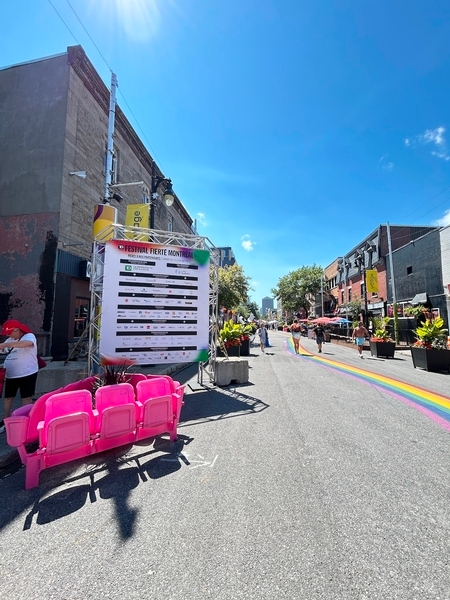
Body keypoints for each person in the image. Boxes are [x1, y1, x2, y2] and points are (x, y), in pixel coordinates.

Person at [0, 319, 39, 433]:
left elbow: (27, 344)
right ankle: (5, 419)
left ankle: (25, 420)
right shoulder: (10, 340)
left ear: (17, 330)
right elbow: (4, 350)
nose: (8, 335)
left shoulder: (29, 336)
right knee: (8, 397)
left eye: (10, 333)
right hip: (12, 374)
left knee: (26, 398)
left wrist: (6, 344)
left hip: (27, 373)